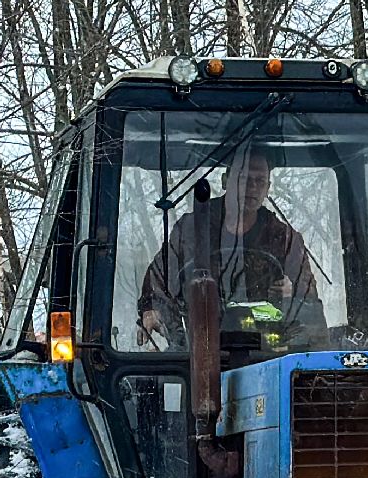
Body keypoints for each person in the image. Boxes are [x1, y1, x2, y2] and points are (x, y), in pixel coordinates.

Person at [137, 146, 320, 344]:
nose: (252, 188)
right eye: (243, 178)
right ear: (226, 181)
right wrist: (151, 311)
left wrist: (291, 295)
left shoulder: (283, 238)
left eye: (259, 181)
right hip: (199, 352)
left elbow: (308, 305)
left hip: (266, 353)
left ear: (267, 188)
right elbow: (159, 280)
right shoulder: (191, 230)